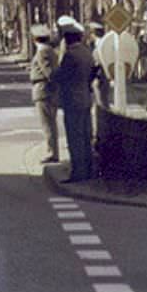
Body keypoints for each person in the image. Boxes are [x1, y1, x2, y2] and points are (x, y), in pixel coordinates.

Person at [52, 19, 96, 182]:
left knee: (75, 138)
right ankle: (89, 170)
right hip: (85, 98)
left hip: (72, 100)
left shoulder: (70, 55)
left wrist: (54, 74)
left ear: (68, 38)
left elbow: (61, 76)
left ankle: (78, 172)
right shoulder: (86, 52)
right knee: (86, 137)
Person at [29, 24, 59, 163]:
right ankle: (53, 151)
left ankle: (52, 152)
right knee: (50, 123)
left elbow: (49, 73)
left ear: (35, 39)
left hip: (43, 90)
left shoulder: (42, 52)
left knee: (47, 124)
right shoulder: (50, 50)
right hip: (46, 90)